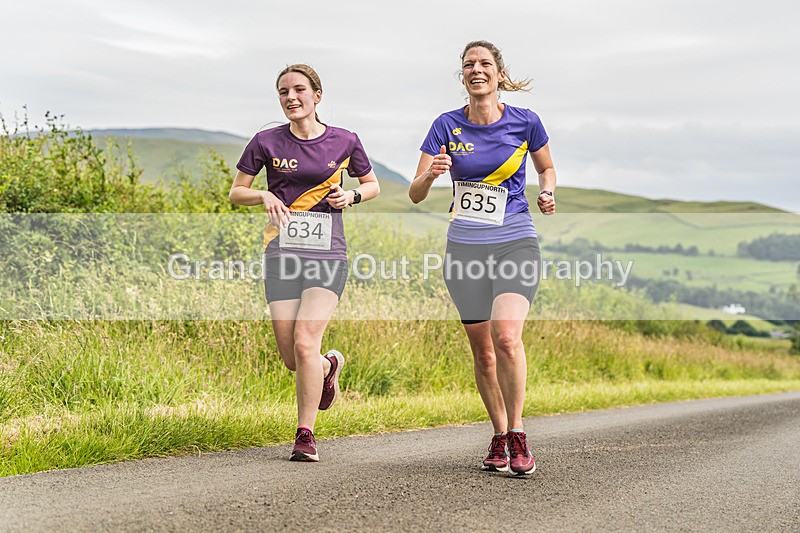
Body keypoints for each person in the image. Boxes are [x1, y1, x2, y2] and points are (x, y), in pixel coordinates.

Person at [409, 40, 556, 475]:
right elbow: (416, 194)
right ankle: (497, 435)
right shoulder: (445, 125)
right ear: (463, 76)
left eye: (484, 64)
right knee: (484, 352)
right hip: (466, 247)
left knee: (507, 337)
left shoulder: (525, 122)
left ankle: (518, 432)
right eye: (469, 64)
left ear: (498, 74)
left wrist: (546, 190)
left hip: (515, 239)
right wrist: (430, 175)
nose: (476, 70)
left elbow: (546, 168)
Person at [230, 64, 379, 462]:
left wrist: (352, 197)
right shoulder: (265, 141)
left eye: (299, 90)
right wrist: (262, 196)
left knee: (304, 340)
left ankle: (305, 434)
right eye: (283, 92)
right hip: (281, 253)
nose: (291, 98)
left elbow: (372, 184)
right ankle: (329, 367)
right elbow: (235, 192)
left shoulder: (345, 141)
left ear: (317, 95)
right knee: (292, 357)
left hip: (328, 255)